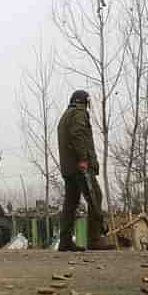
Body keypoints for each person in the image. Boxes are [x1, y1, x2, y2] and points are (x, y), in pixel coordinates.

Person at [57, 90, 114, 252]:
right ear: (83, 101)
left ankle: (65, 241)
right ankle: (95, 239)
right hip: (79, 166)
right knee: (95, 196)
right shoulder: (78, 113)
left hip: (68, 168)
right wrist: (83, 159)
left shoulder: (65, 116)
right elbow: (78, 135)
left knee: (70, 204)